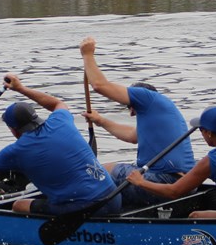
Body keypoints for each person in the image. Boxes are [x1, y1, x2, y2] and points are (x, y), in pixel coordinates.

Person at [0, 73, 118, 216]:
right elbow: (56, 103)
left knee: (19, 205)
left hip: (90, 208)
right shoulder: (60, 120)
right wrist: (21, 88)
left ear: (13, 130)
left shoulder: (18, 150)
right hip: (113, 197)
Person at [78, 36, 196, 209]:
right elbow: (133, 136)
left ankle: (80, 207)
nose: (131, 113)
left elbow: (99, 85)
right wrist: (101, 121)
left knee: (96, 173)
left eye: (129, 105)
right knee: (106, 171)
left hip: (164, 181)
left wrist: (87, 55)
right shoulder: (161, 113)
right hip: (186, 186)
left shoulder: (147, 97)